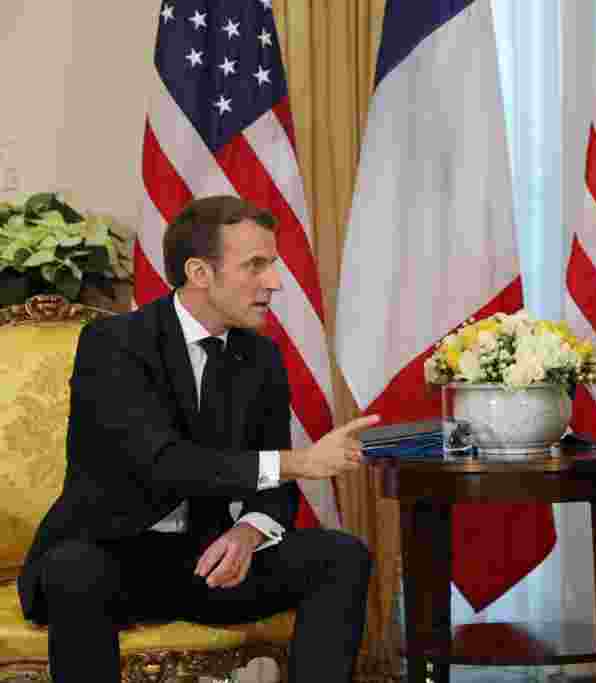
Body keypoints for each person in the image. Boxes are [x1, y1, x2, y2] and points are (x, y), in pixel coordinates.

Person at [18, 195, 381, 683]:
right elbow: (162, 462)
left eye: (272, 265)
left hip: (202, 561)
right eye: (256, 265)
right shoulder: (114, 345)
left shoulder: (262, 358)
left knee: (341, 556)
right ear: (199, 272)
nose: (274, 281)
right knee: (74, 571)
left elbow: (273, 494)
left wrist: (248, 532)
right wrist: (300, 462)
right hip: (109, 556)